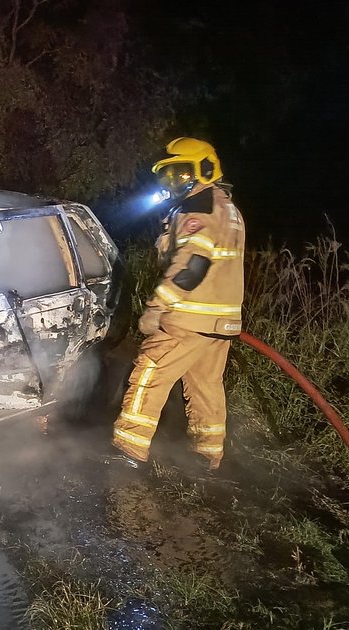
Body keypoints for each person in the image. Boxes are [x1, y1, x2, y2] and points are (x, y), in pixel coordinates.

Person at [108, 137, 245, 471]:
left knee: (150, 372)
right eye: (169, 175)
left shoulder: (197, 209)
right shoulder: (227, 208)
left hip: (188, 317)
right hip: (219, 320)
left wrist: (158, 306)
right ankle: (207, 455)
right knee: (205, 386)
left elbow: (192, 266)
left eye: (182, 173)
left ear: (206, 169)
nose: (174, 182)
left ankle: (129, 448)